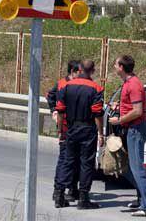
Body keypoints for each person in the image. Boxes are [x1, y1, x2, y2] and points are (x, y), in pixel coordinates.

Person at [109, 55, 146, 217]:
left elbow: (137, 111)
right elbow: (131, 106)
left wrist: (119, 120)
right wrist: (119, 106)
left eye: (115, 64)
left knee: (138, 168)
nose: (114, 67)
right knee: (129, 168)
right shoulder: (128, 83)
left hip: (136, 129)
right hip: (131, 129)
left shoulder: (134, 85)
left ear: (121, 67)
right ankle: (141, 200)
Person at [54, 59, 104, 209]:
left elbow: (60, 110)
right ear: (93, 71)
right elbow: (97, 114)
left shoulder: (66, 86)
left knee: (67, 161)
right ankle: (83, 198)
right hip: (88, 129)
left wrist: (60, 130)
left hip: (70, 128)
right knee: (86, 164)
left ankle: (59, 195)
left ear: (80, 69)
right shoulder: (96, 88)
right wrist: (101, 133)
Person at [46, 59, 80, 203]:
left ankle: (73, 189)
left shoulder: (78, 83)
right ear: (73, 71)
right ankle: (58, 191)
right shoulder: (62, 83)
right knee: (65, 160)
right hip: (65, 127)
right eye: (80, 71)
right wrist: (53, 110)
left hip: (76, 127)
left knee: (75, 160)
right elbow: (49, 95)